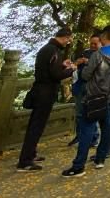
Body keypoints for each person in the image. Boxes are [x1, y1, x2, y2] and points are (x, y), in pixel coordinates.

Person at [62, 28, 110, 177]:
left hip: (93, 97)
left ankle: (78, 166)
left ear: (104, 36)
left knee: (86, 130)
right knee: (107, 127)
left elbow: (85, 75)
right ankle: (100, 158)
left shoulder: (99, 55)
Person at [17, 28, 75, 172]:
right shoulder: (53, 50)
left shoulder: (48, 49)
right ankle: (25, 161)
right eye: (68, 39)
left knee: (36, 124)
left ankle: (31, 153)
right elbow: (55, 75)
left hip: (41, 90)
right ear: (65, 37)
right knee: (36, 125)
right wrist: (71, 69)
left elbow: (50, 69)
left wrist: (62, 65)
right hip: (45, 92)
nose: (68, 42)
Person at [68, 33, 101, 147]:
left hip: (92, 87)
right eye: (91, 43)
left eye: (95, 44)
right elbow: (76, 67)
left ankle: (94, 138)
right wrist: (77, 63)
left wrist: (88, 63)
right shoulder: (85, 52)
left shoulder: (102, 55)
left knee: (91, 113)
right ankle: (79, 135)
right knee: (79, 113)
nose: (92, 46)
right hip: (80, 85)